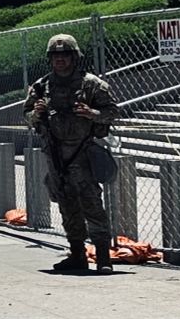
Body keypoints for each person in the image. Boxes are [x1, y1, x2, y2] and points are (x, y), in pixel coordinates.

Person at [24, 34, 121, 274]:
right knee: (67, 205)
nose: (60, 61)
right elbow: (26, 115)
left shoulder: (92, 84)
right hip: (56, 154)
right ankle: (77, 253)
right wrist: (36, 114)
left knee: (92, 204)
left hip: (83, 152)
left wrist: (92, 114)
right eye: (56, 56)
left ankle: (102, 256)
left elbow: (113, 112)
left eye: (65, 56)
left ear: (74, 57)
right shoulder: (41, 86)